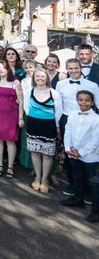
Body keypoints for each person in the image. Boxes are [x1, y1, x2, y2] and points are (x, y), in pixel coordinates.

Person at [55, 59, 99, 196]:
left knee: (87, 151)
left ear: (80, 68)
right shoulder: (60, 84)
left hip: (88, 120)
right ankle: (73, 184)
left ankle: (88, 187)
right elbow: (58, 105)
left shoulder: (91, 85)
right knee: (69, 151)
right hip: (67, 119)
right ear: (66, 69)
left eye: (76, 68)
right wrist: (57, 124)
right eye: (70, 68)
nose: (73, 71)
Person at [60, 90, 99, 223]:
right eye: (80, 99)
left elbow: (96, 140)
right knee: (78, 177)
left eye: (87, 100)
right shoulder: (72, 114)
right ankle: (78, 199)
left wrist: (80, 152)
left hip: (89, 156)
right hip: (72, 153)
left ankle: (96, 210)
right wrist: (68, 148)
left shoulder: (96, 119)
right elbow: (68, 131)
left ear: (92, 102)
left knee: (93, 182)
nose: (83, 102)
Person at [25, 69, 60, 193]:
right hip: (33, 124)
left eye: (42, 76)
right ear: (34, 78)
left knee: (47, 155)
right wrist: (35, 117)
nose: (40, 78)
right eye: (37, 76)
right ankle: (37, 177)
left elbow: (58, 111)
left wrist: (56, 126)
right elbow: (26, 107)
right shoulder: (30, 91)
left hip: (49, 125)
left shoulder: (54, 93)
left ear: (47, 78)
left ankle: (45, 179)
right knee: (34, 152)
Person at [0, 60, 24, 179]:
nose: (1, 70)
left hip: (11, 115)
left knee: (10, 141)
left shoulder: (15, 83)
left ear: (8, 69)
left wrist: (20, 118)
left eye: (3, 68)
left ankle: (10, 166)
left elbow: (21, 102)